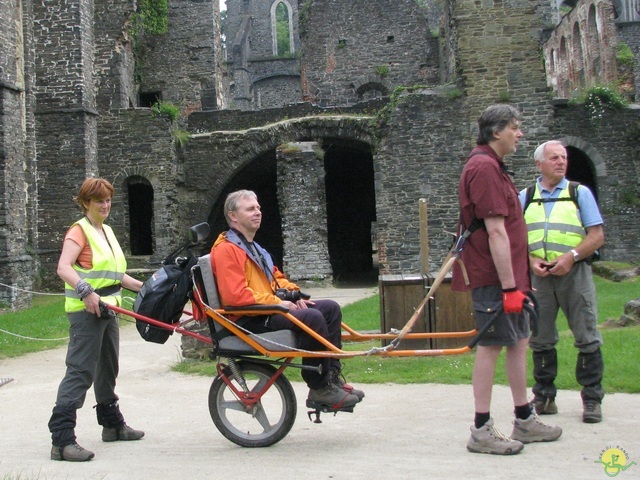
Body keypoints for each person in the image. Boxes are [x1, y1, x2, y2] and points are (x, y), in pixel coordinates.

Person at [452, 105, 562, 455]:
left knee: (518, 342)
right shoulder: (483, 167)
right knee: (491, 347)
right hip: (496, 279)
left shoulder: (492, 166)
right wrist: (510, 287)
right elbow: (496, 232)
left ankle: (524, 418)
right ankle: (481, 429)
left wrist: (518, 281)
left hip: (510, 277)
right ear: (496, 131)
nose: (521, 134)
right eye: (515, 128)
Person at [210, 190, 364, 409]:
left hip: (266, 310)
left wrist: (294, 294)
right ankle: (320, 389)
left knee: (330, 309)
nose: (258, 212)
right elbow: (235, 296)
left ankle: (331, 377)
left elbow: (276, 278)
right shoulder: (227, 250)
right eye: (250, 209)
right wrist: (279, 303)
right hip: (250, 319)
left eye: (258, 208)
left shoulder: (253, 247)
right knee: (311, 317)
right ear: (233, 216)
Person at [48, 178, 145, 462]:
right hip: (86, 311)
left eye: (108, 200)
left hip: (108, 308)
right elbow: (63, 268)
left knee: (107, 368)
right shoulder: (79, 231)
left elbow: (115, 276)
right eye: (99, 201)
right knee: (80, 371)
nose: (105, 205)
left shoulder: (107, 231)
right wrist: (85, 291)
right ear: (85, 203)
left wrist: (147, 287)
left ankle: (112, 425)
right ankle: (62, 440)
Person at [519, 140, 605, 423]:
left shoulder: (579, 193)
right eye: (554, 158)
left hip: (574, 275)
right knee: (540, 337)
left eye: (563, 157)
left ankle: (592, 398)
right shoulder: (526, 196)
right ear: (539, 164)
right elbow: (515, 238)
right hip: (539, 278)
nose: (561, 162)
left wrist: (571, 256)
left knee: (587, 335)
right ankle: (544, 396)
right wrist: (531, 261)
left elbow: (596, 235)